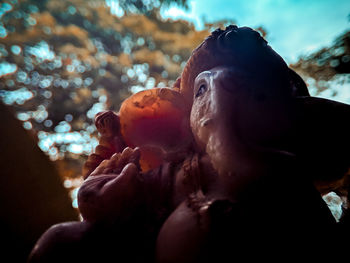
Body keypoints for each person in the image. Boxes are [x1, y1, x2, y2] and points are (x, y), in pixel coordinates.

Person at [29, 25, 349, 262]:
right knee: (60, 240)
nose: (222, 95)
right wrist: (103, 189)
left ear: (290, 100)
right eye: (201, 91)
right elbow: (102, 206)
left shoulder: (288, 166)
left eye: (256, 91)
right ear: (182, 118)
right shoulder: (174, 168)